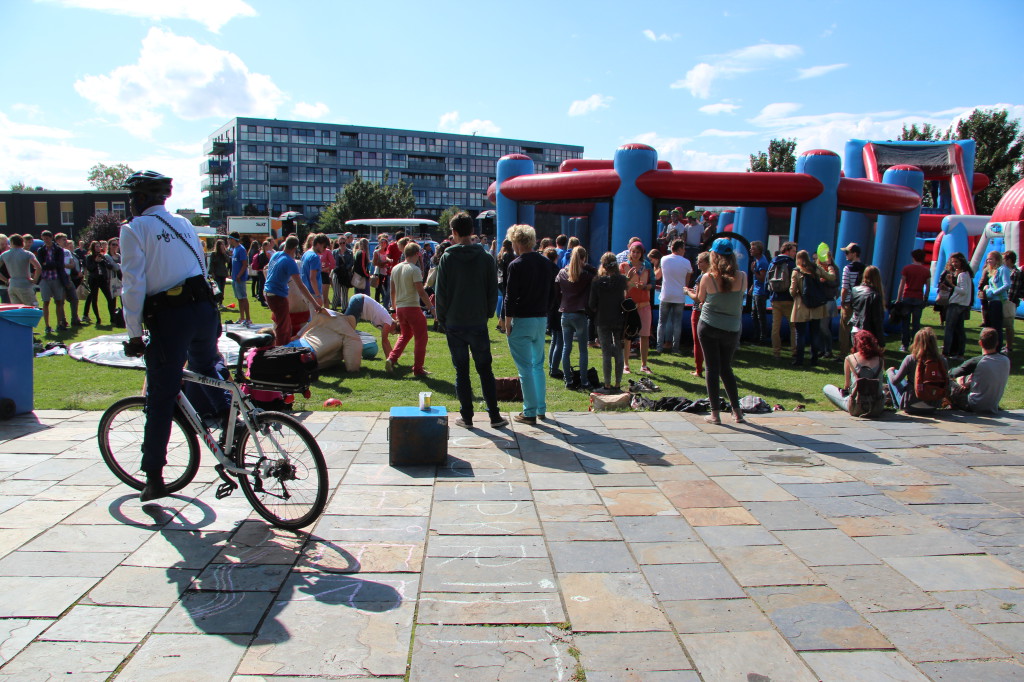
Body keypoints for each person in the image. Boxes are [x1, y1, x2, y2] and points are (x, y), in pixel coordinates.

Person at [118, 170, 224, 502]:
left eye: (132, 198)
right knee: (208, 367)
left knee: (161, 396)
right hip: (204, 309)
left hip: (171, 317)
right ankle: (234, 428)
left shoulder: (134, 229)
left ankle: (153, 477)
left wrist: (135, 335)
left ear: (140, 199)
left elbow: (133, 285)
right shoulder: (183, 223)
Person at [434, 212, 508, 429]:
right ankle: (494, 416)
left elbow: (441, 293)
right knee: (485, 370)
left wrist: (443, 318)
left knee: (462, 371)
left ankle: (467, 416)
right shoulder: (485, 258)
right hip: (477, 322)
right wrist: (485, 314)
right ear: (472, 232)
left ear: (454, 233)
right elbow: (491, 291)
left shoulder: (448, 258)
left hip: (455, 323)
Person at [503, 224, 557, 425]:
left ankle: (530, 411)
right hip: (540, 319)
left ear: (517, 242)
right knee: (537, 366)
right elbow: (554, 291)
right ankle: (541, 408)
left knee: (525, 368)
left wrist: (507, 321)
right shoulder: (546, 263)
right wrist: (546, 311)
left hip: (523, 319)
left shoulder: (516, 264)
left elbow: (510, 296)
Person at [694, 239, 747, 424]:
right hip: (732, 328)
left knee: (711, 368)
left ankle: (715, 414)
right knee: (726, 368)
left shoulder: (708, 278)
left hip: (709, 325)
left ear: (713, 256)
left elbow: (700, 299)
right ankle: (737, 411)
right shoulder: (742, 276)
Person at [263, 236, 323, 346]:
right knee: (283, 326)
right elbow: (300, 286)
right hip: (277, 295)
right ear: (295, 248)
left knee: (281, 323)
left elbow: (268, 271)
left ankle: (280, 345)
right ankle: (282, 350)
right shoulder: (290, 262)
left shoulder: (276, 255)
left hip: (267, 293)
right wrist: (315, 304)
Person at [385, 242, 434, 376]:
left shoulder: (395, 268)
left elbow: (392, 292)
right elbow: (421, 292)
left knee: (405, 335)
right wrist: (432, 308)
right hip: (412, 308)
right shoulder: (414, 269)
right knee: (421, 338)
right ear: (417, 254)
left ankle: (392, 358)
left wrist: (394, 309)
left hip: (400, 309)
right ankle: (418, 369)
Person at [557, 246, 596, 390]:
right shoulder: (585, 275)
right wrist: (586, 265)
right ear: (583, 258)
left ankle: (568, 380)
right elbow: (597, 274)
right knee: (582, 350)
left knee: (566, 348)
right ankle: (584, 381)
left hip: (565, 313)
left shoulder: (562, 272)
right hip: (579, 313)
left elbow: (557, 290)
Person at [589, 252, 628, 394]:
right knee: (619, 352)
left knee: (606, 353)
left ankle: (607, 384)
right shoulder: (622, 280)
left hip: (602, 319)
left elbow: (591, 304)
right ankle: (618, 383)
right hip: (619, 318)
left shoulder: (597, 282)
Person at [823, 329, 885, 416]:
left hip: (856, 406)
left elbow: (847, 386)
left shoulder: (850, 358)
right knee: (883, 392)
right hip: (877, 407)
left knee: (827, 388)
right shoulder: (880, 360)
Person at [886, 327, 948, 414]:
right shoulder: (942, 360)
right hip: (933, 406)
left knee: (893, 374)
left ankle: (897, 406)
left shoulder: (911, 359)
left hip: (911, 405)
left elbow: (895, 381)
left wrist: (889, 371)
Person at [948, 327, 1010, 413]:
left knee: (947, 381)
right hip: (993, 405)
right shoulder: (1005, 360)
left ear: (980, 343)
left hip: (973, 405)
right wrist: (969, 383)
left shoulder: (977, 361)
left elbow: (953, 373)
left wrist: (959, 380)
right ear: (997, 343)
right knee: (969, 376)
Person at [789, 249, 833, 366]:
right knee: (815, 333)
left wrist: (797, 295)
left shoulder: (796, 272)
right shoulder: (816, 269)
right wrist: (830, 266)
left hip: (801, 305)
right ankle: (814, 359)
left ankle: (799, 359)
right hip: (817, 306)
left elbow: (792, 290)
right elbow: (831, 277)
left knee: (800, 334)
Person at [620, 241, 654, 374]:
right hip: (629, 306)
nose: (635, 254)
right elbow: (620, 286)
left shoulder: (647, 266)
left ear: (641, 254)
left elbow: (653, 283)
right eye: (633, 252)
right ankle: (625, 364)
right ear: (629, 252)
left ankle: (644, 365)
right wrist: (628, 281)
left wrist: (644, 287)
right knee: (628, 335)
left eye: (638, 252)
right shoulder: (623, 266)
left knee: (645, 335)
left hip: (644, 304)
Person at [657, 239, 692, 354]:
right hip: (679, 295)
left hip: (666, 294)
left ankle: (659, 347)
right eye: (683, 248)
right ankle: (675, 348)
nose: (685, 251)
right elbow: (687, 280)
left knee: (662, 322)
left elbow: (660, 274)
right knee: (677, 322)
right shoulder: (686, 262)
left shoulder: (664, 259)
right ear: (679, 249)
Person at [896, 249, 932, 352]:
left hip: (907, 296)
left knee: (905, 323)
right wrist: (925, 297)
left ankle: (904, 344)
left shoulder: (907, 268)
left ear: (913, 257)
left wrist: (899, 298)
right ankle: (915, 344)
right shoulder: (926, 270)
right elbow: (928, 286)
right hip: (918, 297)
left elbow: (902, 285)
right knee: (916, 323)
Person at [35, 230, 70, 334]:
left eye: (47, 238)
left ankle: (59, 323)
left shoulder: (58, 250)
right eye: (44, 239)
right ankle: (47, 326)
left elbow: (60, 264)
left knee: (59, 301)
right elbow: (41, 264)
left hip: (56, 278)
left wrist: (47, 264)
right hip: (45, 279)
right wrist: (50, 264)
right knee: (45, 302)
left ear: (51, 238)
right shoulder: (41, 250)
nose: (46, 240)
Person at [342, 293, 396, 357]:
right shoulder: (388, 322)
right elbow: (385, 341)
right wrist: (390, 360)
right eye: (395, 332)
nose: (393, 334)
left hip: (359, 300)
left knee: (346, 329)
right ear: (394, 327)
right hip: (359, 301)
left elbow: (387, 342)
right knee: (346, 330)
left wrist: (392, 358)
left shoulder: (388, 321)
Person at [768, 241, 798, 359]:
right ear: (787, 250)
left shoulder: (773, 262)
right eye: (793, 251)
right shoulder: (791, 264)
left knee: (775, 327)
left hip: (775, 299)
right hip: (789, 299)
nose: (795, 253)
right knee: (793, 327)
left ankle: (776, 352)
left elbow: (767, 281)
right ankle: (794, 351)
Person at [942, 252, 973, 362]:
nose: (954, 264)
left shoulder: (962, 275)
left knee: (949, 329)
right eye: (953, 262)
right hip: (962, 304)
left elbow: (963, 291)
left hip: (957, 305)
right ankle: (959, 353)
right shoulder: (966, 274)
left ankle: (945, 352)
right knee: (959, 330)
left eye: (956, 261)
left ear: (961, 262)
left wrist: (951, 285)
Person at [979, 250, 1011, 352]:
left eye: (991, 259)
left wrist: (993, 292)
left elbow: (1007, 285)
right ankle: (992, 347)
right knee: (991, 325)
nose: (988, 261)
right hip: (991, 301)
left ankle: (997, 349)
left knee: (997, 327)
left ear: (997, 259)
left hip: (998, 302)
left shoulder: (1003, 269)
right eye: (987, 259)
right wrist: (987, 288)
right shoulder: (993, 270)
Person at [685, 251, 710, 378]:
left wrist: (687, 292)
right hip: (709, 312)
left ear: (707, 263)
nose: (697, 263)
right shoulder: (712, 276)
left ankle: (698, 369)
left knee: (698, 342)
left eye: (700, 261)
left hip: (699, 311)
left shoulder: (702, 277)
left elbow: (698, 298)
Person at [838, 242, 866, 356]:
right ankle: (858, 352)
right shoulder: (865, 268)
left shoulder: (847, 268)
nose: (845, 255)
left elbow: (844, 287)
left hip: (849, 302)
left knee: (845, 328)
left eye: (847, 252)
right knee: (858, 328)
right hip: (860, 302)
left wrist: (843, 301)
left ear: (854, 254)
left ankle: (844, 353)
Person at [850, 265, 886, 347]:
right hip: (867, 332)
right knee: (867, 358)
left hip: (855, 329)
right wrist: (881, 342)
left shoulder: (855, 290)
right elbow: (877, 320)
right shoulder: (875, 295)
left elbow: (853, 307)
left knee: (857, 357)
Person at [0, 233, 41, 306]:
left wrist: (5, 280)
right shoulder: (27, 254)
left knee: (17, 310)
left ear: (12, 243)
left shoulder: (4, 255)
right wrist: (35, 279)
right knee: (32, 307)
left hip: (12, 285)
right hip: (25, 284)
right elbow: (38, 267)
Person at [83, 241, 117, 324]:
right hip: (93, 280)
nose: (98, 248)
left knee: (109, 298)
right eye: (96, 246)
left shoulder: (102, 256)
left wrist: (104, 260)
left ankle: (112, 317)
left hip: (102, 279)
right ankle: (98, 318)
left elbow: (109, 266)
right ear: (93, 248)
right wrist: (95, 262)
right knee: (94, 299)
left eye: (99, 246)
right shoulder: (89, 257)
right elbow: (90, 268)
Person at [544, 247, 565, 379]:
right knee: (559, 340)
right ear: (556, 258)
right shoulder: (556, 271)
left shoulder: (544, 271)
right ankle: (554, 367)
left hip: (549, 308)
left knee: (554, 339)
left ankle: (552, 366)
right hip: (557, 307)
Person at [816, 248, 840, 359]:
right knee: (820, 328)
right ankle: (821, 349)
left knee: (823, 327)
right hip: (819, 301)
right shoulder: (817, 268)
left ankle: (828, 350)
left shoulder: (834, 269)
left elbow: (835, 283)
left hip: (828, 301)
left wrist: (826, 280)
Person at [55, 233, 83, 326]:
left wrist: (63, 265)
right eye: (63, 239)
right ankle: (62, 321)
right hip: (59, 278)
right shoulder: (54, 251)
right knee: (61, 301)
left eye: (66, 239)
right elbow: (56, 266)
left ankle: (75, 319)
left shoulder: (67, 251)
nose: (66, 241)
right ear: (58, 241)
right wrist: (63, 266)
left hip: (68, 277)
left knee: (75, 299)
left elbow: (72, 265)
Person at [300, 234, 329, 319]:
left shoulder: (306, 254)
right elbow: (312, 278)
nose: (324, 250)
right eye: (324, 247)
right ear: (318, 244)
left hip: (305, 292)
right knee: (314, 321)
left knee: (307, 320)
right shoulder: (314, 257)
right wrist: (318, 296)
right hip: (312, 293)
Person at [228, 232, 252, 326]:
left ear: (233, 239)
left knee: (243, 297)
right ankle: (242, 318)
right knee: (239, 298)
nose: (228, 241)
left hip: (239, 278)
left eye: (229, 239)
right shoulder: (235, 249)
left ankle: (248, 319)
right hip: (235, 277)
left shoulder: (241, 249)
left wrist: (239, 275)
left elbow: (244, 264)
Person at [749, 240, 770, 345]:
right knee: (754, 314)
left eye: (753, 249)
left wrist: (753, 271)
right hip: (756, 290)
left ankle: (762, 337)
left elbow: (762, 278)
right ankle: (757, 335)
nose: (750, 250)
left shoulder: (762, 262)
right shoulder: (757, 260)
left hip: (761, 292)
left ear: (758, 250)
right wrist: (752, 287)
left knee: (760, 315)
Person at [1003, 250, 1021, 353]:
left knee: (1009, 325)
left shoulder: (1014, 273)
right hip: (1008, 300)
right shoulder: (1008, 271)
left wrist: (1007, 301)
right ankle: (1007, 346)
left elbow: (1012, 290)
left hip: (1010, 302)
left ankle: (1009, 347)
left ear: (1009, 260)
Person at [496, 239, 515, 333]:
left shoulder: (500, 255)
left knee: (504, 301)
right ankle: (503, 325)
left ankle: (500, 323)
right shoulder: (509, 255)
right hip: (506, 281)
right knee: (506, 302)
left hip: (500, 280)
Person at [208, 239, 231, 310]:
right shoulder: (214, 254)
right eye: (222, 244)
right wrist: (211, 273)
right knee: (217, 289)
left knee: (222, 289)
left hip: (223, 273)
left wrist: (224, 253)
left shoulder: (224, 253)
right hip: (216, 273)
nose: (223, 246)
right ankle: (215, 302)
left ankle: (220, 303)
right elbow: (211, 264)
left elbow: (228, 261)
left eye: (224, 244)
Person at [372, 235, 393, 309]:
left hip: (386, 272)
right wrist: (384, 264)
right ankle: (377, 305)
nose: (383, 244)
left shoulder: (387, 252)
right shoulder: (376, 252)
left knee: (387, 289)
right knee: (378, 289)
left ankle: (386, 304)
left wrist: (386, 264)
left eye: (384, 242)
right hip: (378, 272)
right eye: (381, 242)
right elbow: (374, 263)